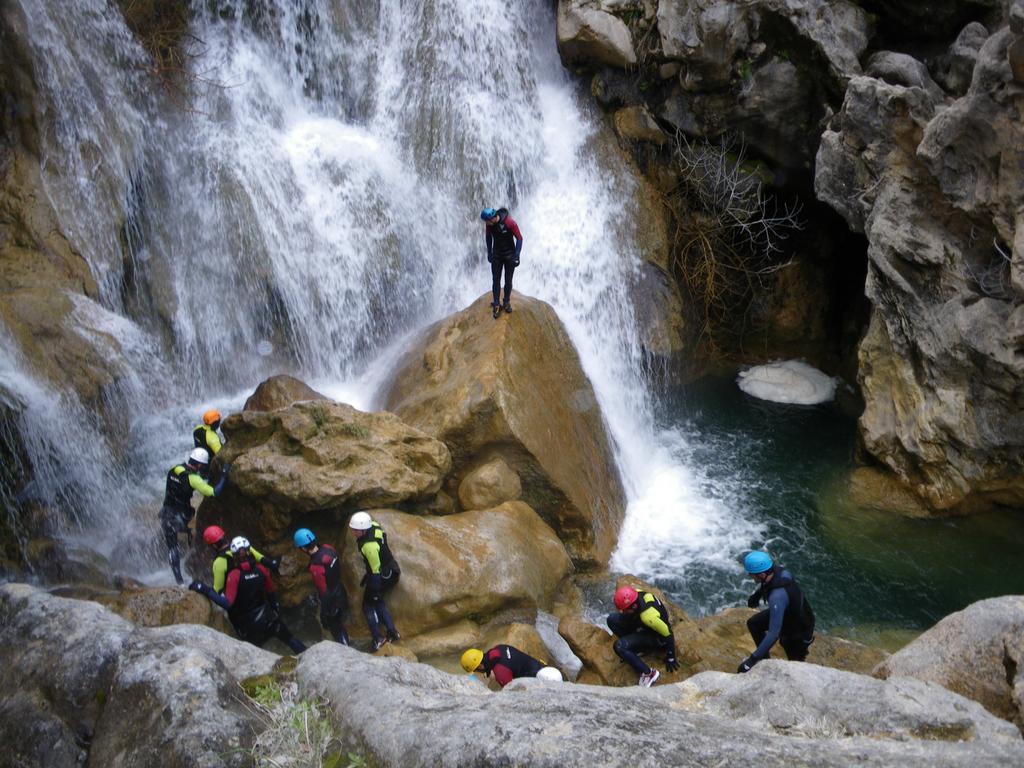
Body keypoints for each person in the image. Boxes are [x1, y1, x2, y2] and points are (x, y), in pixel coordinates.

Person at [189, 536, 306, 654]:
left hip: (249, 628)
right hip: (269, 620)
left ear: (234, 555)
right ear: (249, 551)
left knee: (255, 653)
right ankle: (308, 655)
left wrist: (205, 589)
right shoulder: (261, 569)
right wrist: (275, 610)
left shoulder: (234, 575)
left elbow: (227, 604)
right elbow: (271, 593)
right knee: (290, 639)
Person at [737, 551, 815, 673]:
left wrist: (751, 661)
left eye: (751, 574)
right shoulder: (780, 572)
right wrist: (756, 596)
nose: (750, 576)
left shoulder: (777, 597)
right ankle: (765, 661)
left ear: (762, 575)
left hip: (799, 630)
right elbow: (769, 585)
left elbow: (773, 633)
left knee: (795, 663)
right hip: (792, 614)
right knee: (754, 624)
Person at [160, 447, 229, 585]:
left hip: (166, 512)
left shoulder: (175, 470)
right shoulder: (194, 479)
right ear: (198, 465)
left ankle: (179, 580)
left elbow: (182, 480)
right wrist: (224, 475)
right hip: (181, 515)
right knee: (184, 525)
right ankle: (186, 534)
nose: (201, 468)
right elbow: (214, 492)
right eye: (202, 466)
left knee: (172, 546)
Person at [607, 585, 680, 687]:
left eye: (624, 610)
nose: (622, 612)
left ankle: (649, 674)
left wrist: (671, 657)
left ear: (634, 606)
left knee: (619, 646)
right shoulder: (636, 594)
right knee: (611, 619)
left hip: (657, 638)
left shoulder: (648, 617)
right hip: (644, 625)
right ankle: (635, 648)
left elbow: (668, 633)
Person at [349, 511, 401, 651]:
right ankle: (392, 632)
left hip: (383, 574)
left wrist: (375, 588)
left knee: (369, 605)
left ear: (363, 529)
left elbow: (375, 569)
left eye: (355, 530)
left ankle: (378, 638)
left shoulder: (369, 546)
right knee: (379, 602)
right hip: (391, 569)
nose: (353, 532)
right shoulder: (374, 525)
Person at [293, 527, 350, 646]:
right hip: (341, 590)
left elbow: (324, 592)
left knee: (336, 629)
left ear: (303, 548)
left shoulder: (316, 566)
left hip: (332, 601)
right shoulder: (328, 548)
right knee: (341, 624)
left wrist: (324, 614)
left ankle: (346, 651)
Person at [201, 525, 278, 593]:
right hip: (256, 590)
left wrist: (204, 589)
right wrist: (274, 565)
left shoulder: (219, 562)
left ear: (214, 545)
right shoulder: (242, 547)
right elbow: (262, 559)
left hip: (237, 599)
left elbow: (218, 590)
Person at [480, 206, 523, 319]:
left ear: (492, 218)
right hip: (497, 255)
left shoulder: (509, 223)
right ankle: (496, 304)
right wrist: (489, 252)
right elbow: (488, 238)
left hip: (509, 255)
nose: (486, 224)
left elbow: (519, 238)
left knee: (508, 280)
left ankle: (506, 301)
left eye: (487, 221)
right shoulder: (489, 225)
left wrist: (517, 255)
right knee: (496, 280)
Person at [460, 645, 551, 688]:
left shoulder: (500, 671)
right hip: (545, 668)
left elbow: (512, 695)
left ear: (480, 666)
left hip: (544, 682)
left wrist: (498, 677)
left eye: (476, 670)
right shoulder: (498, 648)